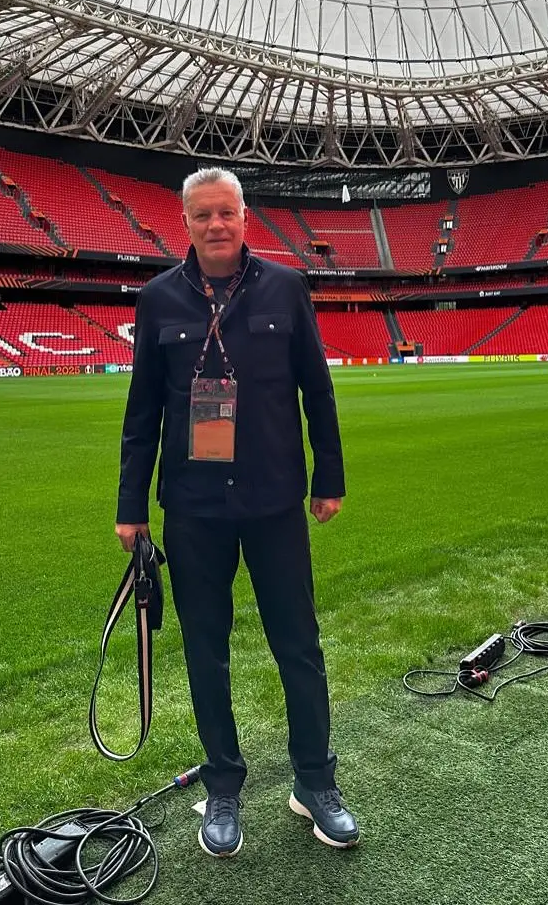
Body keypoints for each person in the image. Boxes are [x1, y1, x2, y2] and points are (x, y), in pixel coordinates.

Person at [115, 167, 359, 858]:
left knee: (299, 648)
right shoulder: (158, 300)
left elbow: (319, 390)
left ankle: (315, 781)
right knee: (205, 652)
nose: (215, 225)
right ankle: (223, 785)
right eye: (202, 216)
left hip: (275, 500)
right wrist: (130, 505)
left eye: (226, 213)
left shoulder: (286, 286)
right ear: (185, 223)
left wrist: (328, 478)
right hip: (192, 508)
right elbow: (142, 414)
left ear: (245, 217)